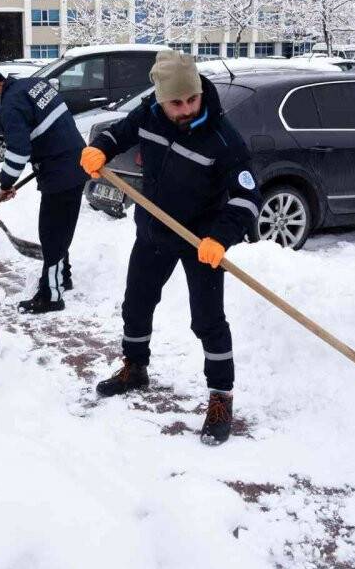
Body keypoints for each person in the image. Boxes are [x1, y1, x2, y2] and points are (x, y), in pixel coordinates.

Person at [79, 50, 262, 446]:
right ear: (161, 99)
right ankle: (135, 367)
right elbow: (120, 132)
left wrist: (221, 237)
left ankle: (220, 396)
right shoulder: (150, 113)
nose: (185, 108)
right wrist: (102, 150)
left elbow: (247, 196)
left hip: (201, 240)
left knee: (208, 321)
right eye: (175, 102)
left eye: (191, 99)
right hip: (154, 228)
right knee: (136, 303)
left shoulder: (222, 138)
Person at [0, 66, 87, 314]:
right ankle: (63, 276)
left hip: (61, 171)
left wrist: (6, 182)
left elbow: (18, 151)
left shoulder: (11, 104)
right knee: (59, 229)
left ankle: (51, 296)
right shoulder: (31, 85)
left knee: (51, 234)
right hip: (73, 161)